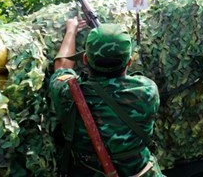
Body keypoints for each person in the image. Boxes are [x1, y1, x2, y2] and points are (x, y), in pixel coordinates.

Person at [49, 17, 163, 176]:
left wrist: (71, 30)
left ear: (84, 59)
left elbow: (61, 66)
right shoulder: (148, 90)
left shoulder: (69, 93)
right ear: (129, 63)